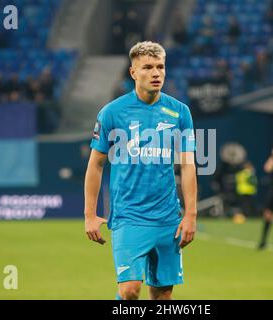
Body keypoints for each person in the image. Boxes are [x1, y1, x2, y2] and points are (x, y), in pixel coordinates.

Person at [84, 41, 197, 300]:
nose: (156, 73)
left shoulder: (180, 112)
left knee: (162, 295)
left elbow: (188, 166)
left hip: (168, 218)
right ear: (133, 72)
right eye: (147, 67)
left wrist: (190, 214)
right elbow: (95, 164)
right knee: (129, 291)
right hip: (129, 216)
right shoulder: (112, 112)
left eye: (160, 67)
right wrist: (90, 214)